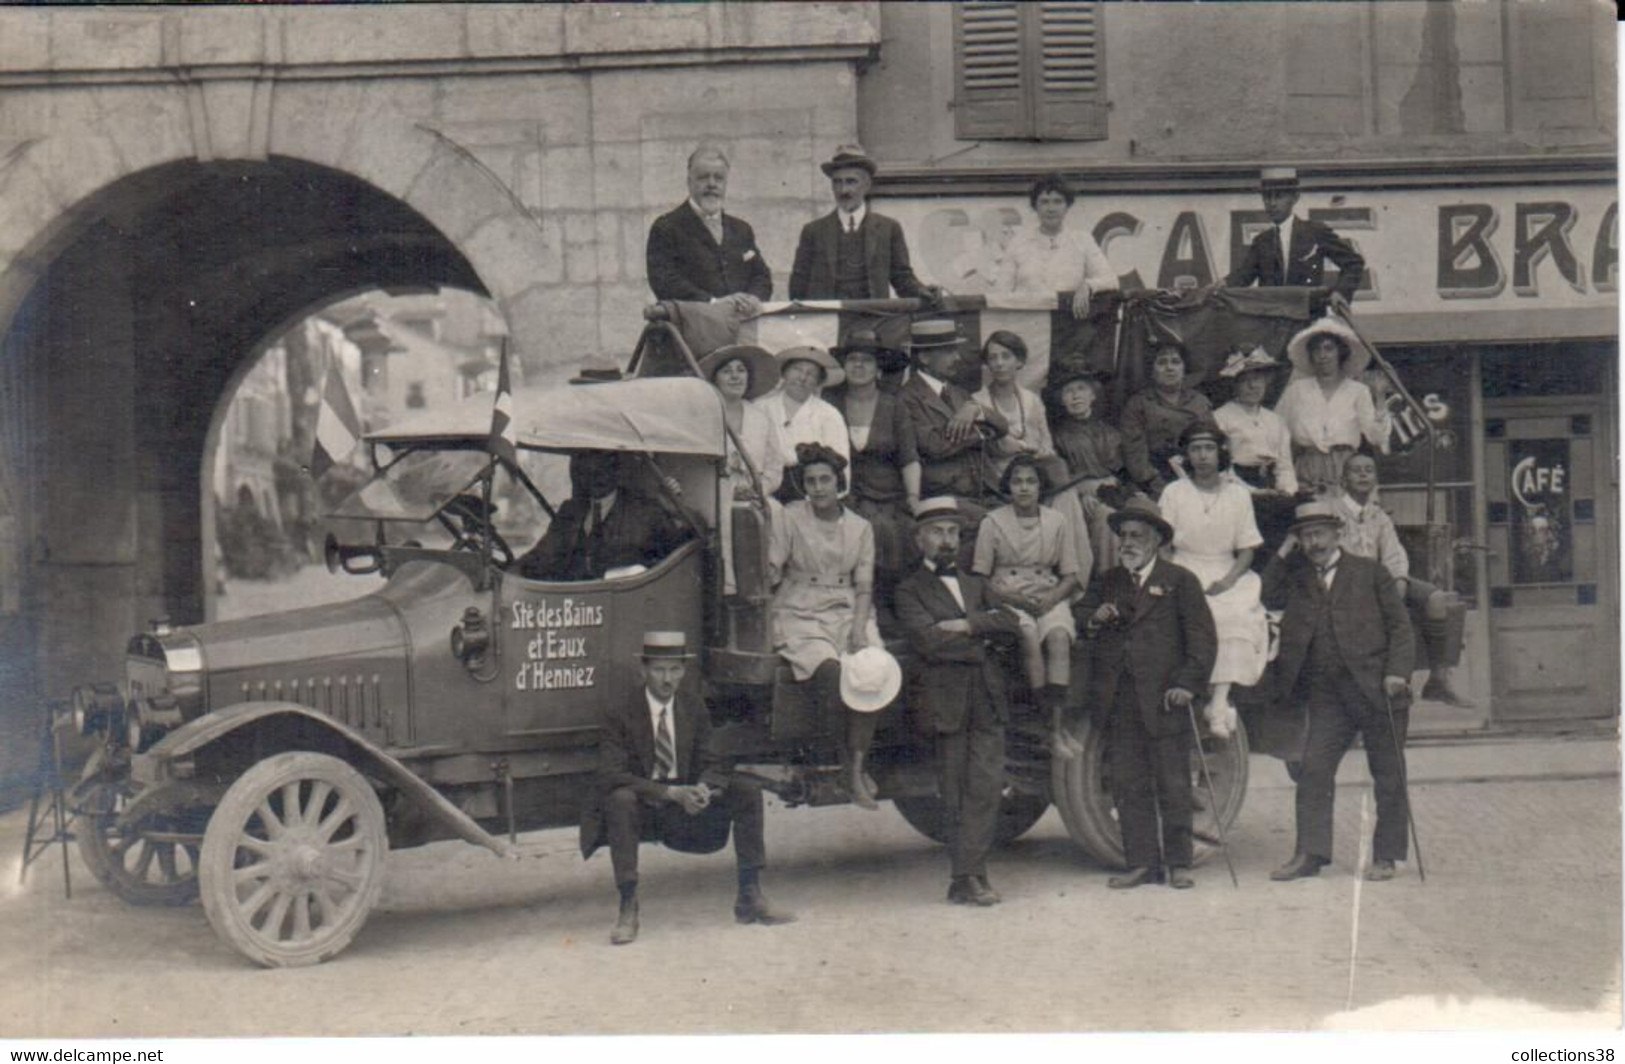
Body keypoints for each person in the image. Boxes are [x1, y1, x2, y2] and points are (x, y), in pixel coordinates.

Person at [580, 631, 795, 945]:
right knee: (620, 799)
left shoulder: (692, 707)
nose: (666, 679)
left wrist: (703, 789)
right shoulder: (621, 711)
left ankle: (750, 895)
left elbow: (712, 758)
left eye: (673, 670)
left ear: (682, 671)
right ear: (643, 670)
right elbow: (610, 774)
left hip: (684, 809)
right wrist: (669, 794)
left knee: (747, 790)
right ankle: (628, 906)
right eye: (658, 670)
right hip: (647, 806)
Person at [1263, 501, 1415, 883]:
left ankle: (1386, 856)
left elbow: (1400, 627)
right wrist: (1283, 552)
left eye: (1320, 534)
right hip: (1328, 696)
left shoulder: (1371, 573)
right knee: (1313, 770)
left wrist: (1397, 673)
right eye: (1305, 536)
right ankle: (1310, 854)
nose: (1313, 542)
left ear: (1337, 534)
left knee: (1388, 773)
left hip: (1375, 688)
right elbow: (1264, 594)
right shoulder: (1297, 578)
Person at [1081, 497, 1217, 890]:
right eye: (1123, 535)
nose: (1128, 542)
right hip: (1120, 701)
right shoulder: (1109, 581)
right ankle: (1141, 863)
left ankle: (1179, 864)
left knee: (1173, 783)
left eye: (1137, 535)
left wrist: (1186, 685)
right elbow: (1081, 615)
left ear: (1156, 540)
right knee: (1128, 784)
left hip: (1165, 700)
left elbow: (1203, 641)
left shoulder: (1180, 581)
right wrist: (1095, 616)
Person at [895, 498, 1023, 907]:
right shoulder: (908, 589)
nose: (946, 540)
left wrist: (969, 624)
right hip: (945, 701)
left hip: (986, 696)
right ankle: (964, 876)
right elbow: (928, 641)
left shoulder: (972, 582)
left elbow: (1011, 622)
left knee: (986, 787)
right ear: (920, 540)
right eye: (937, 532)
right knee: (953, 792)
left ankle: (972, 875)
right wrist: (980, 643)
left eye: (952, 532)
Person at [768, 443, 882, 807]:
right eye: (811, 481)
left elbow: (864, 585)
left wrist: (859, 627)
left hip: (848, 610)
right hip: (800, 610)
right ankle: (846, 767)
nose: (818, 487)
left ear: (839, 483)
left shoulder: (861, 528)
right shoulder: (790, 517)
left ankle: (858, 764)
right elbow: (773, 567)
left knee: (870, 672)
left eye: (825, 480)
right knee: (831, 672)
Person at [1334, 451, 1473, 707]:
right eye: (1356, 470)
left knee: (1437, 599)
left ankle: (1438, 679)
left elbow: (1393, 554)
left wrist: (1397, 580)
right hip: (1350, 585)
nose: (1364, 474)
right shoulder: (1335, 514)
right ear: (1343, 480)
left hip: (1383, 581)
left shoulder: (1380, 516)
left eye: (1369, 470)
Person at [1157, 425, 1268, 739]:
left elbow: (1247, 549)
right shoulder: (1174, 493)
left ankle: (1218, 701)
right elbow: (1163, 546)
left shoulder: (1238, 494)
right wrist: (1171, 576)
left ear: (1220, 453)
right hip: (1183, 567)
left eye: (1209, 448)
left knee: (1233, 616)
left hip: (1226, 570)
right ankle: (1193, 689)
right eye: (1196, 449)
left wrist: (1229, 580)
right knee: (1199, 617)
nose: (1203, 456)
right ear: (1187, 455)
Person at [972, 455, 1081, 756]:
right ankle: (1049, 728)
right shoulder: (992, 522)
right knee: (1029, 636)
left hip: (1048, 594)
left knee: (1059, 637)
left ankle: (1057, 727)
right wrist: (1013, 599)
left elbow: (1071, 575)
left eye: (1030, 481)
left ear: (1040, 486)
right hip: (1008, 596)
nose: (1023, 488)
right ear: (1008, 486)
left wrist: (1051, 599)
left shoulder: (1057, 521)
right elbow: (981, 578)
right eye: (1017, 481)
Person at [826, 329, 922, 602]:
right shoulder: (829, 402)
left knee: (891, 531)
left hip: (888, 497)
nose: (858, 366)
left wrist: (913, 497)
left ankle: (885, 605)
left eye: (866, 361)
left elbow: (909, 458)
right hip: (844, 495)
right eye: (852, 359)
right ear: (844, 366)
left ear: (879, 369)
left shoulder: (894, 406)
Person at [789, 144, 945, 303]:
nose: (844, 190)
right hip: (829, 321)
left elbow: (902, 277)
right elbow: (798, 286)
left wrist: (922, 290)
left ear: (866, 185)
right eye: (837, 182)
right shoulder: (813, 231)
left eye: (851, 182)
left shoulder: (888, 228)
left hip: (872, 318)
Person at [515, 450, 697, 581]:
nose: (594, 474)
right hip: (572, 609)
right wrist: (511, 572)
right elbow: (542, 556)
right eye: (586, 467)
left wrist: (673, 507)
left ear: (616, 470)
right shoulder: (570, 512)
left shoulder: (644, 512)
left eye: (602, 466)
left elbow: (679, 549)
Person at [900, 319, 1007, 540]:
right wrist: (980, 432)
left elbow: (1002, 426)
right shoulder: (907, 398)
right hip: (945, 496)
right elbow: (934, 445)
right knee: (1002, 530)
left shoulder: (960, 394)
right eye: (948, 351)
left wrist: (977, 411)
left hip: (985, 491)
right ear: (924, 357)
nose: (957, 358)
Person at [699, 343, 784, 596]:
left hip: (754, 492)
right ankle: (729, 586)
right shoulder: (706, 416)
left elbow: (774, 466)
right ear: (715, 379)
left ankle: (766, 578)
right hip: (715, 493)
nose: (736, 376)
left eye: (741, 370)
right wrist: (729, 488)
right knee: (726, 515)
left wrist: (758, 489)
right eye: (727, 371)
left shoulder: (761, 417)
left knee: (777, 512)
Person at [645, 145, 772, 312]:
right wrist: (712, 302)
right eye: (703, 177)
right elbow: (665, 281)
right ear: (689, 182)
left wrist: (753, 298)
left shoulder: (742, 230)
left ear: (725, 184)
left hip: (742, 326)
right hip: (692, 329)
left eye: (718, 178)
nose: (712, 184)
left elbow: (761, 276)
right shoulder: (666, 227)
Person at [1274, 317, 1392, 494]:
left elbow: (1376, 437)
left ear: (1340, 352)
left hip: (1346, 468)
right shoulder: (1296, 390)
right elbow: (1276, 430)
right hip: (1308, 468)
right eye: (1316, 350)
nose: (1323, 355)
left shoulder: (1357, 391)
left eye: (1329, 348)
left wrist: (1380, 399)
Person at [1225, 167, 1365, 303]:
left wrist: (1341, 292)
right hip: (1271, 320)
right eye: (1267, 197)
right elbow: (1243, 277)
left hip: (1307, 317)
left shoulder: (1315, 232)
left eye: (1279, 196)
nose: (1272, 203)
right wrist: (1221, 285)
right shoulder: (1262, 241)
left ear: (1295, 197)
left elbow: (1354, 263)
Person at [993, 174, 1119, 318]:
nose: (1051, 209)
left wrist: (1088, 285)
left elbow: (1110, 280)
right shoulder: (1018, 243)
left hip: (1069, 324)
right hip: (1027, 322)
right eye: (1044, 202)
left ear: (1067, 206)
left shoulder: (1082, 240)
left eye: (1057, 202)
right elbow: (1000, 293)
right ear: (1035, 207)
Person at [1048, 368, 1133, 571]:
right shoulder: (1057, 436)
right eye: (1069, 391)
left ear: (1092, 395)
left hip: (1113, 492)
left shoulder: (1110, 432)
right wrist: (1082, 492)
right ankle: (1108, 582)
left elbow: (1122, 472)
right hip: (1075, 499)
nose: (1076, 396)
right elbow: (1057, 478)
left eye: (1081, 389)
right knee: (1105, 517)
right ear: (1061, 399)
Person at [1119, 341, 1215, 498]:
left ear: (1184, 369)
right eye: (1162, 362)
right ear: (1152, 371)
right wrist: (1161, 487)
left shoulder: (1200, 402)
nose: (1170, 368)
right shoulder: (1138, 404)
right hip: (1156, 480)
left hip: (1198, 473)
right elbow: (1135, 455)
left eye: (1176, 362)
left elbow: (1212, 444)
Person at [757, 346, 849, 500]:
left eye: (811, 374)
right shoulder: (761, 408)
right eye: (797, 369)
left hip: (811, 493)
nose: (802, 377)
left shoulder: (828, 414)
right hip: (765, 490)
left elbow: (840, 467)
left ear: (818, 382)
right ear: (784, 372)